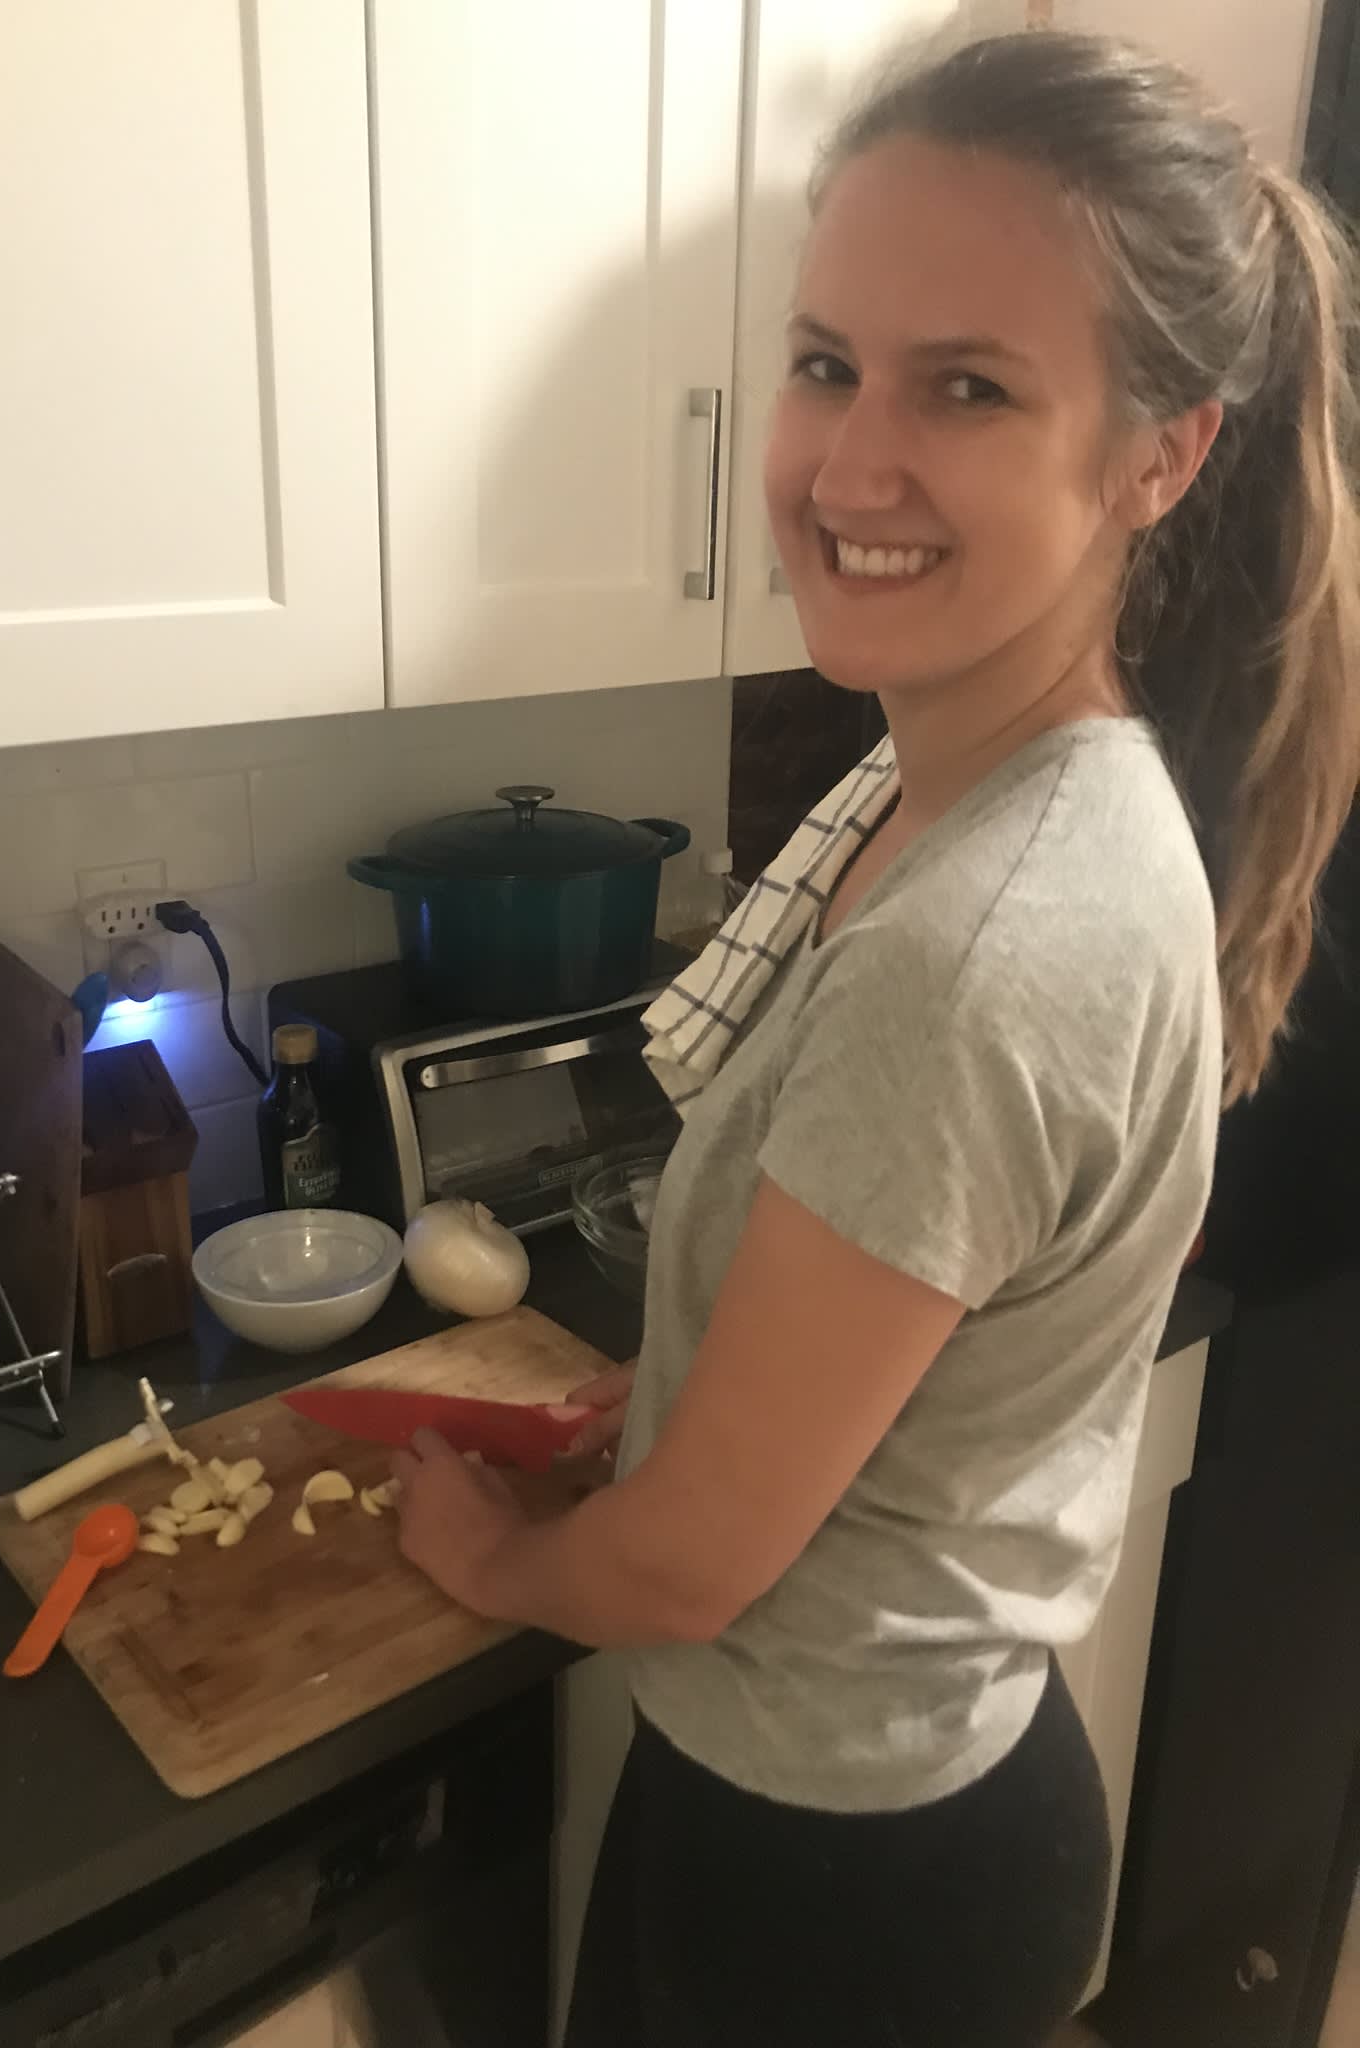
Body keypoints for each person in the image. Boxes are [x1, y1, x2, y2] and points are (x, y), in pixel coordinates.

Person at [388, 30, 1360, 2047]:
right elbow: (957, 1317)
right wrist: (700, 1386)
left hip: (835, 1892)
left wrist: (498, 1551)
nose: (846, 462)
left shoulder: (976, 938)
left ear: (1161, 452)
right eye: (829, 360)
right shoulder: (1025, 802)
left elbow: (682, 1574)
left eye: (969, 386)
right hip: (885, 1799)